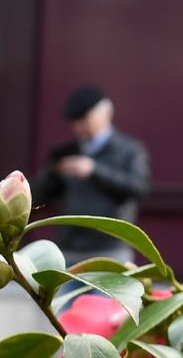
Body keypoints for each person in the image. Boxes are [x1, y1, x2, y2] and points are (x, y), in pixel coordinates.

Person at [35, 84, 151, 262]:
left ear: (104, 113)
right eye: (74, 122)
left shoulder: (129, 150)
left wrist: (94, 170)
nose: (79, 126)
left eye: (84, 119)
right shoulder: (67, 151)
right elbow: (39, 195)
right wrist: (53, 170)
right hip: (68, 249)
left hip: (110, 250)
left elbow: (138, 187)